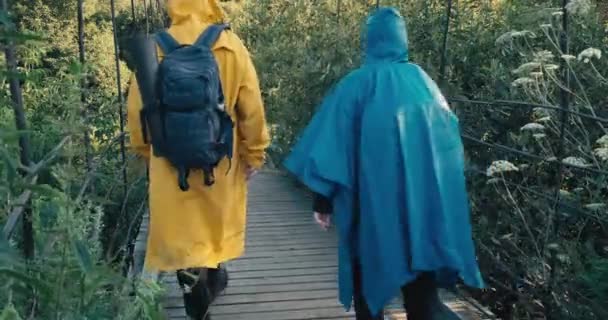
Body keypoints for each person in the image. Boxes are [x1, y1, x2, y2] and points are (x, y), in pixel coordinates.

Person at [284, 7, 484, 320]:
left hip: (372, 215)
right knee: (423, 302)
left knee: (369, 295)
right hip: (423, 214)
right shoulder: (424, 83)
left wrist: (323, 203)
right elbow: (447, 147)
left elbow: (329, 152)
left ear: (370, 41)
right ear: (402, 40)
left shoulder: (354, 85)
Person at [126, 0, 270, 319]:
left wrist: (146, 153)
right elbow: (252, 107)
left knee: (183, 239)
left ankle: (197, 300)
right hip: (218, 164)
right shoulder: (230, 45)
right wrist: (254, 154)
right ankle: (210, 282)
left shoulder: (154, 49)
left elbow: (137, 115)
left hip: (170, 167)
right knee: (211, 231)